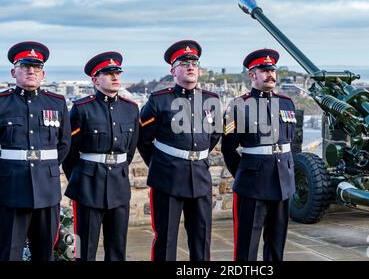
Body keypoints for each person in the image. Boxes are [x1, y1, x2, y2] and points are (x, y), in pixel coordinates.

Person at [138, 40, 221, 261]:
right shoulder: (159, 100)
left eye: (194, 62)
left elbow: (214, 135)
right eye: (184, 63)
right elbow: (144, 140)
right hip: (168, 179)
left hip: (200, 178)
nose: (191, 66)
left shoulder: (212, 100)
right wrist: (163, 163)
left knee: (202, 239)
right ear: (173, 70)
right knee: (166, 240)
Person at [62, 52, 139, 261]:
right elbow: (69, 151)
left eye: (117, 73)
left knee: (117, 248)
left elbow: (130, 150)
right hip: (88, 186)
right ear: (95, 80)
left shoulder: (131, 109)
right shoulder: (81, 109)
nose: (115, 77)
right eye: (108, 73)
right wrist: (80, 179)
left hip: (119, 187)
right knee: (84, 248)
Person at [221, 49, 296, 261]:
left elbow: (289, 144)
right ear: (252, 75)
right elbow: (228, 149)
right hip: (252, 186)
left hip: (283, 184)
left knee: (276, 245)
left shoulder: (286, 103)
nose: (270, 74)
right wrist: (245, 175)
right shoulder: (238, 106)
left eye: (272, 70)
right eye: (264, 70)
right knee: (247, 247)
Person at [0, 41, 71, 261]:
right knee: (9, 252)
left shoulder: (57, 103)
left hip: (47, 190)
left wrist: (45, 167)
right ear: (14, 72)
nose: (31, 71)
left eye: (36, 67)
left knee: (44, 252)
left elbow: (64, 144)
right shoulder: (2, 103)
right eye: (25, 66)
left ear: (43, 74)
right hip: (10, 189)